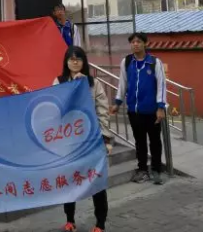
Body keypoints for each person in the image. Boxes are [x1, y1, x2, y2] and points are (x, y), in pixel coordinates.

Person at [54, 46, 112, 232]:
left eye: (78, 58)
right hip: (69, 142)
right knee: (69, 182)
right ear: (66, 62)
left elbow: (102, 112)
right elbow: (56, 108)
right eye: (71, 58)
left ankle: (100, 223)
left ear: (84, 62)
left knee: (96, 181)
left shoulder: (94, 83)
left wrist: (106, 139)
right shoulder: (59, 82)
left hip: (91, 141)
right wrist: (73, 88)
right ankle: (70, 220)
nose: (75, 61)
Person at [110, 32, 167, 185]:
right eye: (133, 42)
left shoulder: (155, 62)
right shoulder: (127, 62)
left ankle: (156, 170)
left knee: (155, 142)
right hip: (134, 111)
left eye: (138, 41)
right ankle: (142, 169)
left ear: (145, 43)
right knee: (139, 142)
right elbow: (122, 83)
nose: (135, 44)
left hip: (152, 111)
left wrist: (160, 107)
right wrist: (117, 102)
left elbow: (161, 85)